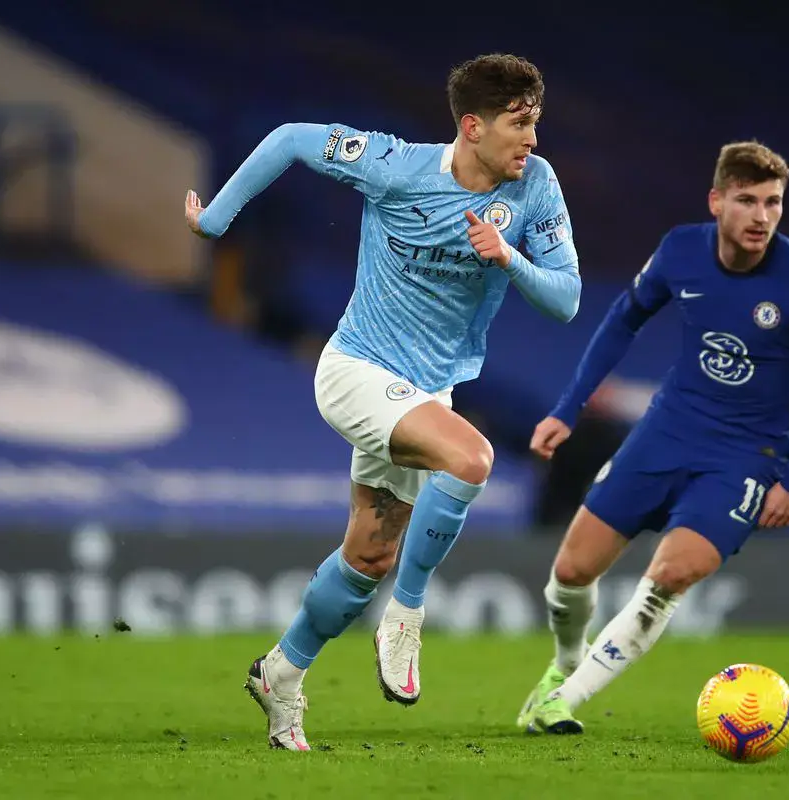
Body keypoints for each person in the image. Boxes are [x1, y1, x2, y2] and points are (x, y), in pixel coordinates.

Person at [184, 53, 580, 750]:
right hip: (356, 371)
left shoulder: (536, 187)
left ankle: (280, 673)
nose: (533, 140)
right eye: (519, 124)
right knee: (472, 456)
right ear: (472, 126)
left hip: (425, 391)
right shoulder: (395, 166)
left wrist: (509, 259)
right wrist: (217, 219)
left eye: (536, 124)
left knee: (366, 557)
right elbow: (291, 140)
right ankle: (409, 611)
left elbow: (567, 299)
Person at [516, 140, 789, 734]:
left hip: (748, 455)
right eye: (747, 200)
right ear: (717, 201)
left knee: (670, 576)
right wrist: (569, 408)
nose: (761, 216)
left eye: (773, 202)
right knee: (570, 573)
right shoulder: (680, 250)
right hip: (666, 431)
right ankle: (563, 670)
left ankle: (563, 702)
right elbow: (625, 319)